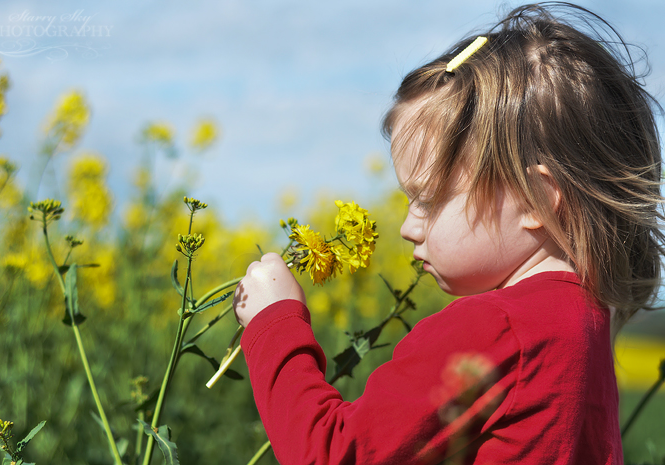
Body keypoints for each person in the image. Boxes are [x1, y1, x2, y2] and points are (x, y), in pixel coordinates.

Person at [232, 3, 664, 464]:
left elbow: (331, 452)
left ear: (536, 198)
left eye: (428, 199)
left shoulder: (497, 328)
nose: (407, 228)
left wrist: (273, 322)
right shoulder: (584, 320)